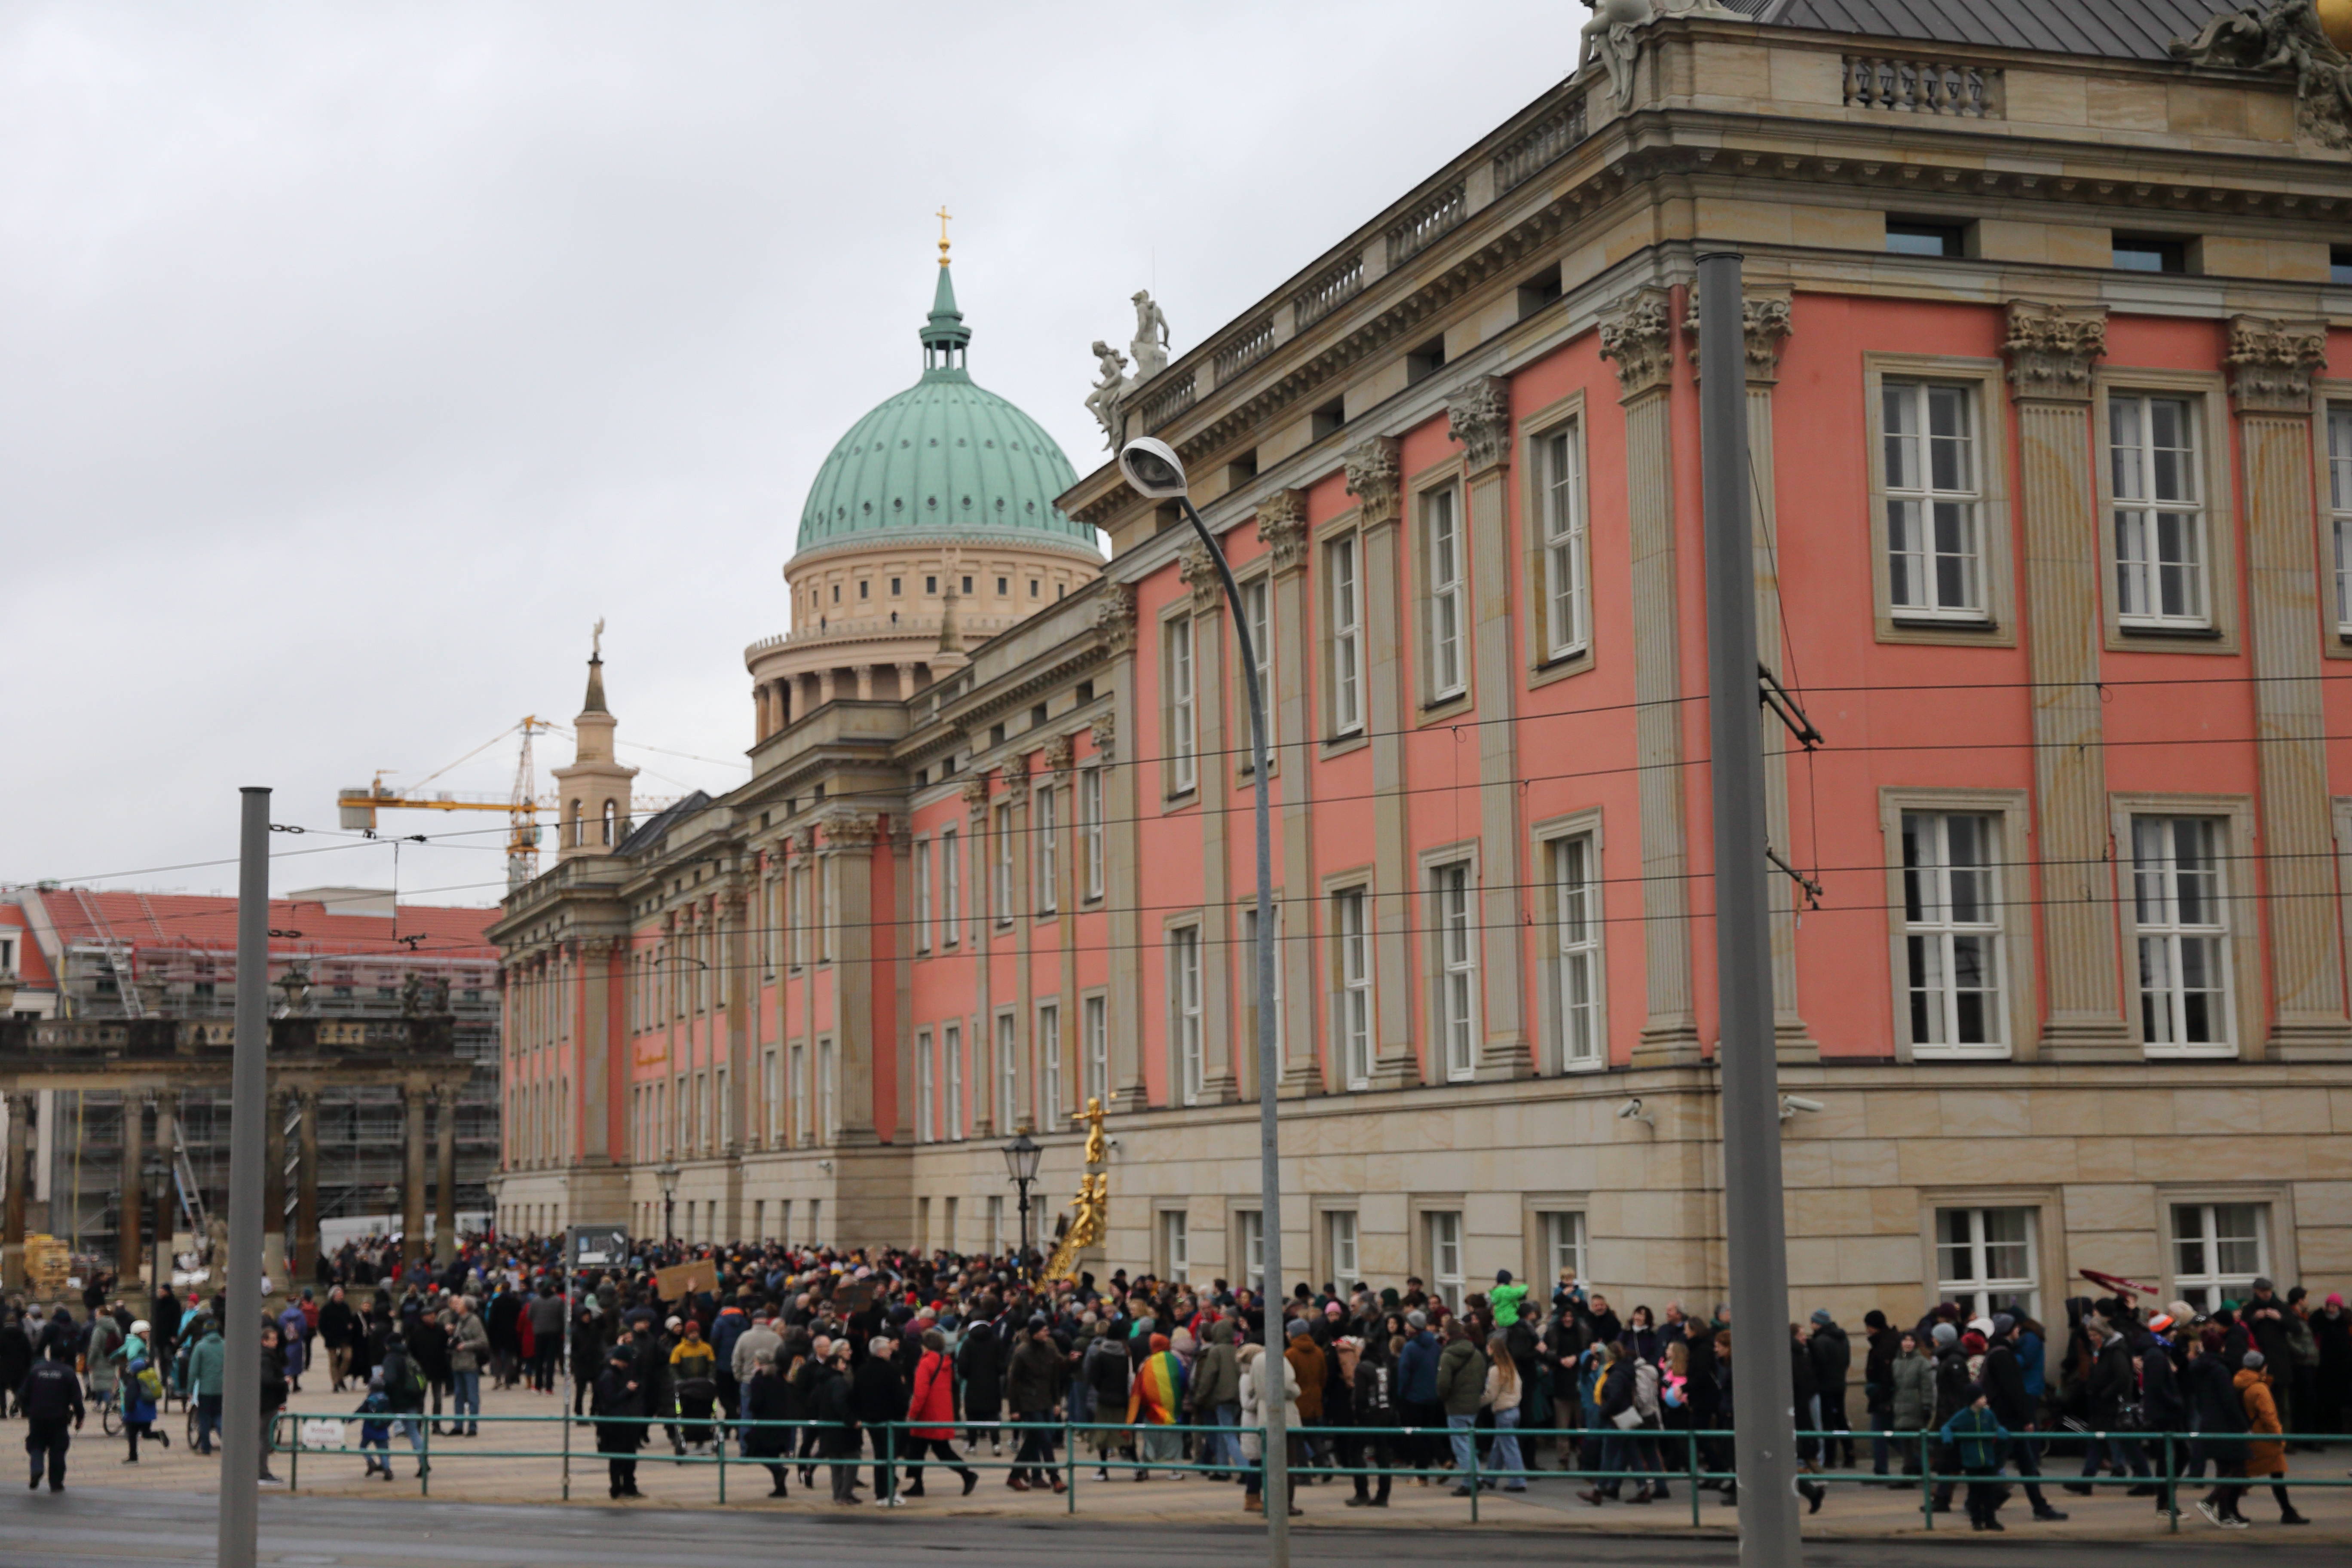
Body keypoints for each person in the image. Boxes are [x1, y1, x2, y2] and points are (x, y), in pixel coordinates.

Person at [903, 1328, 977, 1497]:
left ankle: (966, 1475)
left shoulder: (926, 1363)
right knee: (932, 1449)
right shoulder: (944, 1362)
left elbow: (920, 1393)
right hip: (941, 1413)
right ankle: (918, 1483)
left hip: (926, 1415)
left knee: (921, 1450)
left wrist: (912, 1414)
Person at [1237, 1340, 1301, 1516]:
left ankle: (1260, 1498)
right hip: (1261, 1420)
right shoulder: (1248, 1376)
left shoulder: (1254, 1370)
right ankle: (1260, 1499)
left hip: (1261, 1420)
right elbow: (1249, 1402)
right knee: (1267, 1462)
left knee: (1263, 1462)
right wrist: (1263, 1396)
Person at [1939, 1383, 2012, 1532]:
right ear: (1973, 1400)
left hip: (1988, 1460)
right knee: (1975, 1493)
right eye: (1981, 1397)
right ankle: (1976, 1520)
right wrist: (1948, 1439)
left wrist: (2003, 1432)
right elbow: (1947, 1427)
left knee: (1989, 1493)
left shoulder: (1988, 1415)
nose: (1985, 1399)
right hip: (1972, 1462)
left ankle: (1991, 1520)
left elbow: (1996, 1427)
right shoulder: (1963, 1416)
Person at [18, 1342, 84, 1493]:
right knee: (58, 1448)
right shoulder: (68, 1372)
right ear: (63, 1356)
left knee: (36, 1443)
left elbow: (23, 1394)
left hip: (37, 1416)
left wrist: (28, 1409)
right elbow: (77, 1400)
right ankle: (56, 1483)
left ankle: (37, 1467)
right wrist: (80, 1418)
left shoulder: (36, 1370)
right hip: (59, 1417)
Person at [851, 1333, 909, 1503]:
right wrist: (901, 1415)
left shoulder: (862, 1371)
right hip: (890, 1420)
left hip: (870, 1421)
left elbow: (856, 1395)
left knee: (880, 1457)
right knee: (889, 1457)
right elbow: (901, 1397)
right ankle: (886, 1493)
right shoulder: (891, 1371)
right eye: (888, 1350)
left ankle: (882, 1493)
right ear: (881, 1352)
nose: (891, 1352)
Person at [1434, 1319, 1487, 1496]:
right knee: (1470, 1444)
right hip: (1473, 1405)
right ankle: (1477, 1477)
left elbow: (1443, 1384)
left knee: (1461, 1446)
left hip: (1456, 1405)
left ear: (1448, 1335)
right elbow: (1482, 1379)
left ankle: (1470, 1482)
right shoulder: (1477, 1354)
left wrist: (1444, 1398)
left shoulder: (1448, 1356)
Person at [591, 1348, 645, 1499]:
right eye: (625, 1363)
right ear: (621, 1360)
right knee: (620, 1458)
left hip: (621, 1423)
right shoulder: (609, 1376)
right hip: (615, 1425)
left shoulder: (613, 1374)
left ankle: (627, 1487)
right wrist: (627, 1390)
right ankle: (618, 1489)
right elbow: (611, 1400)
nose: (627, 1366)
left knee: (626, 1457)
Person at [739, 1349, 793, 1498]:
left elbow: (757, 1403)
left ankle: (779, 1470)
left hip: (764, 1423)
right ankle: (781, 1488)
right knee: (773, 1453)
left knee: (755, 1449)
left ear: (758, 1362)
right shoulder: (778, 1377)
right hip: (780, 1422)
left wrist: (750, 1406)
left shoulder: (758, 1379)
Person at [1479, 1332, 1527, 1492]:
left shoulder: (1495, 1370)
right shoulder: (1511, 1368)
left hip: (1503, 1411)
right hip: (1515, 1409)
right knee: (1499, 1446)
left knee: (1509, 1447)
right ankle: (1490, 1477)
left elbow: (1491, 1394)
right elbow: (1519, 1388)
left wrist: (1476, 1404)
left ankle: (1518, 1481)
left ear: (1492, 1349)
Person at [183, 1315, 226, 1455]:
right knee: (219, 1415)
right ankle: (226, 1441)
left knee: (205, 1417)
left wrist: (189, 1390)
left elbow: (193, 1371)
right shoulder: (226, 1345)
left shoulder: (200, 1347)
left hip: (205, 1389)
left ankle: (206, 1447)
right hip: (222, 1388)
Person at [447, 1295, 488, 1437]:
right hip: (457, 1363)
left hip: (470, 1363)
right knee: (459, 1396)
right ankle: (458, 1425)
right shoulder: (459, 1321)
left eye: (460, 1304)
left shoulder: (474, 1321)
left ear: (467, 1307)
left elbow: (483, 1341)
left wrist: (466, 1346)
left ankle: (472, 1426)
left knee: (472, 1396)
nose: (457, 1306)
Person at [118, 1346, 164, 1464]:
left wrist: (127, 1413)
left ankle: (133, 1456)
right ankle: (158, 1435)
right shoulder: (149, 1379)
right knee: (146, 1433)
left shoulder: (133, 1383)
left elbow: (130, 1399)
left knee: (132, 1435)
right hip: (148, 1414)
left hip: (135, 1414)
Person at [355, 1371, 396, 1481]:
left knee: (363, 1447)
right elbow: (392, 1413)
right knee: (383, 1451)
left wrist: (350, 1419)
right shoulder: (387, 1399)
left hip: (369, 1430)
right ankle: (387, 1470)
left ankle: (371, 1461)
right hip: (382, 1430)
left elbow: (360, 1411)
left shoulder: (370, 1400)